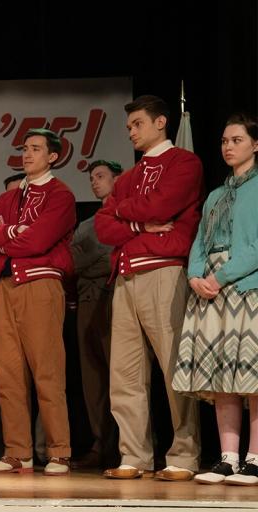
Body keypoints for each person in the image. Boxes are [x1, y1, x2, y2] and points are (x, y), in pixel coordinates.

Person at [96, 95, 203, 481]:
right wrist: (140, 224)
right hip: (126, 278)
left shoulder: (185, 163)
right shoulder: (127, 177)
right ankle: (134, 455)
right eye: (129, 127)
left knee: (175, 367)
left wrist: (126, 212)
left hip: (164, 272)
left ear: (161, 123)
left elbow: (163, 204)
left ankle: (184, 455)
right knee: (124, 374)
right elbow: (103, 225)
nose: (132, 132)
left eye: (137, 124)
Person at [0, 128, 76, 475]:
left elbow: (40, 240)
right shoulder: (10, 197)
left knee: (47, 370)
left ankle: (59, 450)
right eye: (25, 148)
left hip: (41, 285)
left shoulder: (61, 195)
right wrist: (11, 233)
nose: (27, 154)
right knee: (8, 373)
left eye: (35, 149)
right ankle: (18, 450)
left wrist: (5, 237)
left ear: (53, 156)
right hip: (6, 287)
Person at [173, 113, 258, 486]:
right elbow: (199, 242)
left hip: (244, 286)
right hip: (210, 288)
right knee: (224, 375)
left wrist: (220, 278)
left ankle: (254, 459)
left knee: (252, 377)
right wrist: (194, 275)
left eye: (237, 140)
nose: (228, 147)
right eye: (225, 141)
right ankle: (227, 458)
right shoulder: (216, 195)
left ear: (255, 144)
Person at [70, 159, 122, 468]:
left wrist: (94, 264)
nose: (94, 181)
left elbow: (114, 260)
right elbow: (72, 263)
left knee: (121, 375)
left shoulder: (124, 214)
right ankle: (100, 443)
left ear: (118, 179)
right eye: (91, 177)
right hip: (88, 301)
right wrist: (95, 264)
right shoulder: (87, 224)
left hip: (116, 297)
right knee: (92, 377)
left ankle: (127, 445)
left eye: (101, 176)